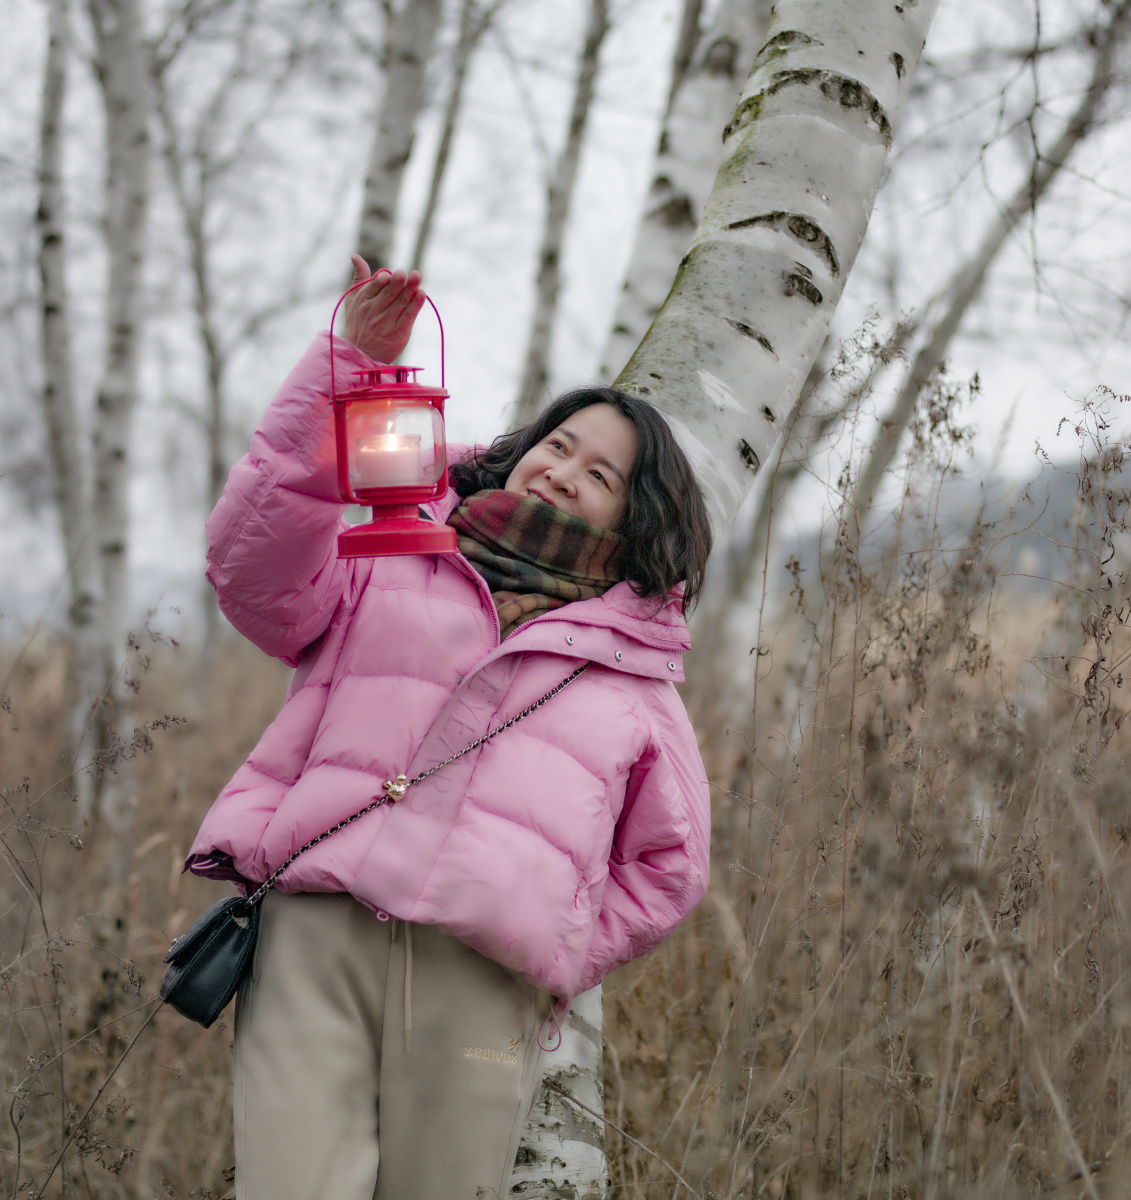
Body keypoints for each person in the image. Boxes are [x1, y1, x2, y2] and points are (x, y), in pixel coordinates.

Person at [185, 256, 713, 1200]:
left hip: (479, 978)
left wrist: (550, 939)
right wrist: (345, 365)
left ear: (635, 520)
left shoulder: (634, 674)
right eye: (558, 445)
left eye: (600, 474)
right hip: (315, 939)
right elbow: (251, 571)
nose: (563, 474)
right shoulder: (389, 552)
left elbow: (671, 864)